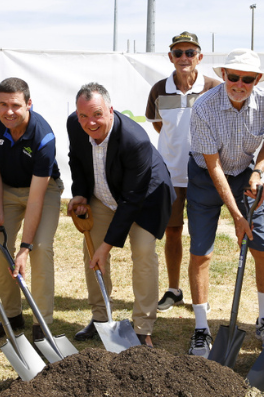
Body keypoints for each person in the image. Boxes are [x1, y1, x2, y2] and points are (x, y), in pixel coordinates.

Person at [187, 48, 264, 357]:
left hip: (244, 174)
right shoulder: (203, 107)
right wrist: (236, 216)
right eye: (234, 77)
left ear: (256, 80)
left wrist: (257, 172)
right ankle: (201, 329)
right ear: (224, 76)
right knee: (201, 252)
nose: (239, 84)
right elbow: (214, 166)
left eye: (247, 79)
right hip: (205, 176)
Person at [67, 82, 175, 348]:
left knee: (143, 253)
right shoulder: (75, 124)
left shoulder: (134, 139)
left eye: (97, 114)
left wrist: (107, 247)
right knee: (90, 250)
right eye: (83, 116)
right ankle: (101, 318)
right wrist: (80, 193)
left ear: (111, 110)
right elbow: (76, 159)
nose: (90, 122)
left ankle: (142, 327)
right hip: (105, 193)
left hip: (145, 198)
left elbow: (131, 201)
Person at [0, 77, 63, 342]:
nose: (8, 111)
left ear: (29, 104)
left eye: (15, 105)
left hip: (43, 189)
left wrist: (25, 247)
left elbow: (36, 197)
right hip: (6, 188)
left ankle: (42, 323)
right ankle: (12, 316)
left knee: (40, 247)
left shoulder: (43, 135)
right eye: (3, 104)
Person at [145, 31, 220, 312]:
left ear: (200, 56)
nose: (184, 58)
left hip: (204, 174)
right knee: (173, 231)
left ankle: (201, 298)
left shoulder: (215, 87)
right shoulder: (159, 89)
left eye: (190, 52)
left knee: (202, 237)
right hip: (170, 175)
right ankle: (174, 291)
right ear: (170, 57)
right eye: (179, 53)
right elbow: (159, 125)